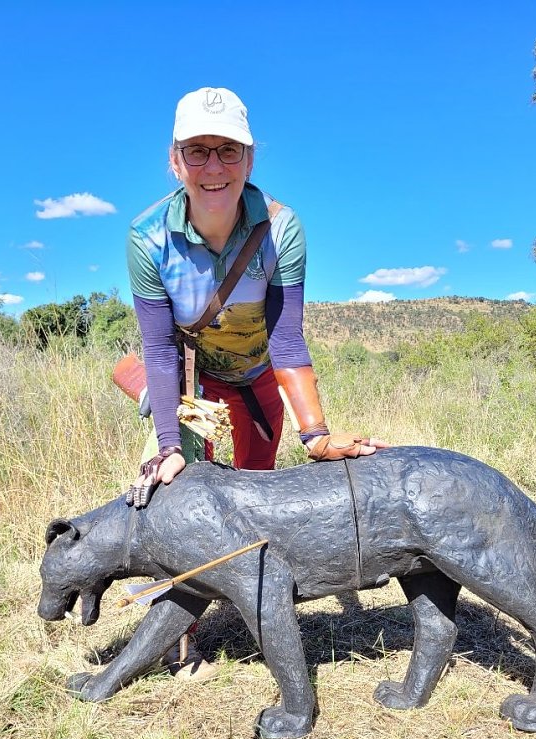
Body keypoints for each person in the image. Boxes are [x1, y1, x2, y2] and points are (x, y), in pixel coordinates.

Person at [126, 86, 388, 678]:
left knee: (252, 499)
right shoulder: (147, 238)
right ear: (175, 159)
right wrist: (169, 445)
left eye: (228, 151)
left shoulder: (281, 229)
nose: (213, 167)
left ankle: (255, 605)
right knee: (174, 496)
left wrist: (315, 436)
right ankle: (181, 631)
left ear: (250, 158)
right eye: (197, 151)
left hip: (259, 379)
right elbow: (161, 350)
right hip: (194, 380)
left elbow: (287, 340)